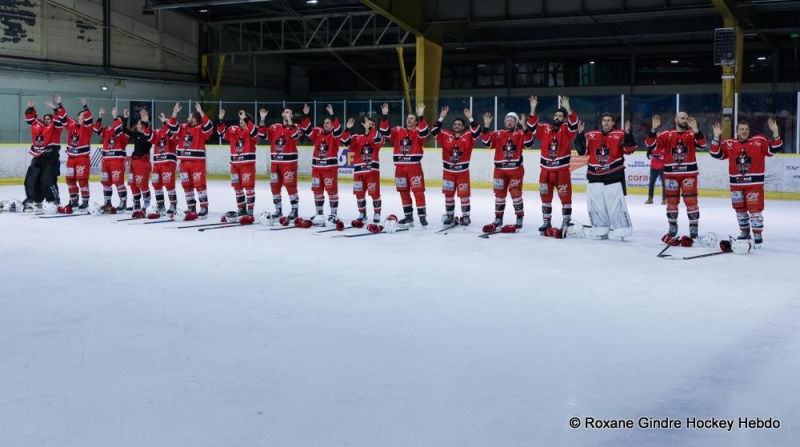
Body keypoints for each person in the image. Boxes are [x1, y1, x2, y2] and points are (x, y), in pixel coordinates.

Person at [710, 119, 782, 246]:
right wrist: (716, 136)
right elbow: (715, 153)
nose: (744, 132)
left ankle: (757, 234)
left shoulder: (759, 141)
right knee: (740, 211)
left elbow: (775, 148)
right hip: (736, 185)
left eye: (746, 129)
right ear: (736, 131)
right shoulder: (730, 144)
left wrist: (775, 131)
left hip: (754, 184)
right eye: (741, 129)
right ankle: (744, 232)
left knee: (755, 210)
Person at [645, 111, 707, 239]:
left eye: (686, 118)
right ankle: (672, 226)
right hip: (671, 174)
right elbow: (649, 144)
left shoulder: (691, 134)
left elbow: (703, 145)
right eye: (682, 118)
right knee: (672, 202)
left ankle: (693, 228)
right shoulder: (666, 135)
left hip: (689, 174)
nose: (684, 120)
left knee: (691, 202)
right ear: (676, 120)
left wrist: (696, 129)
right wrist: (653, 128)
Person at [574, 113, 637, 239]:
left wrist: (628, 132)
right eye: (604, 120)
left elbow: (629, 150)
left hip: (613, 174)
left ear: (613, 123)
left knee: (615, 203)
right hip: (594, 174)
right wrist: (580, 133)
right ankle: (600, 228)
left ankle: (622, 229)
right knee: (596, 203)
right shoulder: (591, 135)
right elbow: (582, 151)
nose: (606, 122)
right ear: (601, 122)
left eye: (609, 120)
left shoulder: (620, 134)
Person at [527, 95, 579, 232]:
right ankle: (546, 222)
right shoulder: (545, 128)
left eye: (560, 116)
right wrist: (533, 108)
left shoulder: (567, 130)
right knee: (545, 197)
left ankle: (566, 222)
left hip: (561, 171)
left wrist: (568, 108)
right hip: (545, 171)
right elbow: (532, 126)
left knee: (565, 197)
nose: (557, 117)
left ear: (564, 119)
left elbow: (574, 123)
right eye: (555, 115)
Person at [480, 107, 534, 230]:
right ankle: (498, 218)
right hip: (499, 170)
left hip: (515, 169)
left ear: (516, 123)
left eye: (512, 120)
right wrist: (486, 126)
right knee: (499, 194)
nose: (509, 122)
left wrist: (524, 126)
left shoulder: (520, 134)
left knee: (515, 193)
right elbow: (486, 144)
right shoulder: (497, 134)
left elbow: (530, 144)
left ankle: (519, 217)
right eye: (507, 120)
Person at [378, 102, 430, 227]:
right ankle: (408, 217)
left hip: (414, 167)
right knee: (403, 192)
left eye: (412, 118)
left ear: (416, 122)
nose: (408, 120)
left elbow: (425, 132)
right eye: (407, 118)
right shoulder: (398, 130)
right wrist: (384, 116)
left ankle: (422, 217)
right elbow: (384, 131)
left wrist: (421, 116)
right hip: (399, 168)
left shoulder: (418, 131)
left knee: (418, 192)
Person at [431, 106, 481, 226]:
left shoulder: (468, 136)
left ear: (463, 127)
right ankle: (449, 215)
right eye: (455, 124)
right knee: (448, 195)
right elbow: (434, 131)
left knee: (464, 196)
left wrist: (470, 118)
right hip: (448, 172)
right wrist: (442, 117)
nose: (457, 126)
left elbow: (477, 131)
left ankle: (466, 217)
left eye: (459, 124)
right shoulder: (446, 135)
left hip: (462, 173)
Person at [300, 103, 343, 225]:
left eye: (328, 123)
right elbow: (307, 130)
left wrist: (332, 115)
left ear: (332, 125)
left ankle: (333, 214)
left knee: (332, 192)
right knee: (317, 192)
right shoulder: (318, 133)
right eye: (324, 123)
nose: (325, 124)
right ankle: (319, 214)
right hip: (316, 169)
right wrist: (305, 114)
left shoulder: (335, 136)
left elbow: (339, 130)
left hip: (329, 169)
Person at [169, 102, 214, 217]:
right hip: (183, 163)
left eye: (189, 117)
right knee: (187, 186)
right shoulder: (183, 127)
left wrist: (200, 112)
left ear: (194, 119)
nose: (187, 118)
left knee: (200, 185)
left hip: (197, 163)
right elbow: (172, 127)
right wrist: (174, 112)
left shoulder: (200, 129)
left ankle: (204, 207)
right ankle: (191, 207)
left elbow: (209, 126)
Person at [217, 108, 264, 217]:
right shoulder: (234, 130)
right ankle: (241, 208)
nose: (241, 120)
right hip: (234, 165)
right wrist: (220, 119)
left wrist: (246, 119)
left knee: (249, 187)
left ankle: (250, 210)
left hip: (247, 164)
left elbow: (256, 135)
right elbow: (221, 133)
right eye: (240, 118)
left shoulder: (253, 131)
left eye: (243, 119)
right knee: (237, 188)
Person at [23, 95, 65, 210]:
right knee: (31, 179)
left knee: (48, 181)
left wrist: (55, 108)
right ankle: (35, 200)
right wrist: (30, 108)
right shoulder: (40, 127)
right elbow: (31, 121)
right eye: (45, 119)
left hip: (51, 158)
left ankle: (53, 201)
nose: (47, 120)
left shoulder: (56, 128)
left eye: (49, 119)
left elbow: (60, 119)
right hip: (38, 158)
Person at [341, 115, 384, 224]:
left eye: (372, 125)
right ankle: (362, 213)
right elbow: (345, 142)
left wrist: (370, 129)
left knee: (374, 193)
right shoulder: (357, 137)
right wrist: (347, 129)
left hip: (372, 171)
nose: (370, 126)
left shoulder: (377, 138)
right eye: (368, 124)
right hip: (359, 171)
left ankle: (377, 212)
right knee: (359, 194)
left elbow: (379, 139)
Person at [262, 107, 303, 221]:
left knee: (290, 186)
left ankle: (294, 210)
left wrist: (290, 121)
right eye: (285, 112)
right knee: (274, 187)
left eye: (289, 112)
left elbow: (295, 135)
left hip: (289, 163)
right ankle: (278, 209)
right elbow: (263, 135)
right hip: (275, 162)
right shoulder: (275, 127)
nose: (287, 114)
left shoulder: (297, 127)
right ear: (282, 114)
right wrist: (262, 119)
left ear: (292, 116)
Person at [93, 107, 130, 212]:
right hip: (106, 160)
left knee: (118, 182)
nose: (115, 122)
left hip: (117, 160)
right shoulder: (109, 129)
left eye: (118, 120)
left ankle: (123, 202)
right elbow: (97, 130)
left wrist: (115, 117)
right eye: (115, 120)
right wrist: (100, 117)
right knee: (106, 183)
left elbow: (119, 130)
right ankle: (107, 202)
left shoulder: (125, 132)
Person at [62, 97, 94, 209]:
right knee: (70, 180)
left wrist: (85, 106)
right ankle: (74, 199)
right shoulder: (72, 125)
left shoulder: (88, 127)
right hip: (71, 158)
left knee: (82, 180)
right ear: (77, 117)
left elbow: (90, 119)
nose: (84, 117)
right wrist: (59, 105)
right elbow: (64, 118)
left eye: (85, 116)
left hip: (82, 158)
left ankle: (85, 201)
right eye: (82, 115)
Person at [122, 108, 153, 212]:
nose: (137, 125)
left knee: (142, 184)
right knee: (133, 184)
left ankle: (147, 202)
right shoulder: (137, 135)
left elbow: (147, 128)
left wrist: (145, 119)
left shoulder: (148, 136)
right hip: (134, 163)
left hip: (143, 163)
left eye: (139, 123)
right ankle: (136, 203)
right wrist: (126, 118)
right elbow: (124, 130)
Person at [148, 112, 179, 215]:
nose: (166, 121)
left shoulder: (173, 132)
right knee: (156, 184)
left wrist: (166, 124)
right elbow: (149, 137)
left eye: (167, 120)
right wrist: (145, 123)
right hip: (157, 162)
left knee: (169, 185)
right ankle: (160, 205)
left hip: (168, 162)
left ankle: (173, 205)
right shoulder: (158, 132)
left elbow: (175, 141)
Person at [645, 138, 666, 205]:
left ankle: (664, 199)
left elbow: (669, 156)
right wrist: (649, 156)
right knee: (651, 183)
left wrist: (664, 157)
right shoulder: (652, 145)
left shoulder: (665, 145)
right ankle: (650, 198)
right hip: (653, 167)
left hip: (663, 167)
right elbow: (648, 154)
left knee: (664, 184)